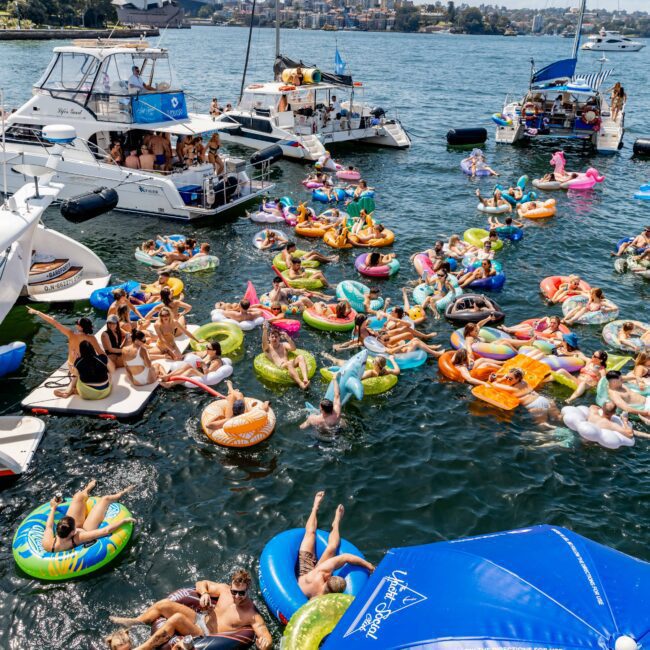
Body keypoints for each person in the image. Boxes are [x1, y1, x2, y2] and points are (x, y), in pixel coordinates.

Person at [108, 569, 272, 650]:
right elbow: (201, 583)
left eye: (241, 593)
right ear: (231, 586)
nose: (236, 596)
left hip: (205, 635)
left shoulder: (251, 614)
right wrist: (205, 593)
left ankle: (142, 648)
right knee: (164, 605)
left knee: (177, 618)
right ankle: (136, 621)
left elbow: (264, 634)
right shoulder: (223, 589)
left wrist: (266, 644)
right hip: (200, 619)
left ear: (248, 589)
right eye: (234, 591)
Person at [296, 491, 374, 600]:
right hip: (306, 572)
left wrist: (369, 566)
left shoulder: (319, 585)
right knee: (318, 538)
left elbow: (346, 557)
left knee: (317, 538)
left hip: (305, 573)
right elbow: (345, 557)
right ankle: (319, 510)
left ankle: (332, 520)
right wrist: (369, 566)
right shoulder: (320, 576)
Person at [42, 480, 134, 553]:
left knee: (78, 497)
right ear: (73, 532)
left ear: (58, 530)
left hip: (69, 533)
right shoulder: (79, 537)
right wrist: (124, 521)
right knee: (105, 499)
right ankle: (124, 492)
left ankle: (87, 489)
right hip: (86, 530)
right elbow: (106, 531)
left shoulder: (48, 543)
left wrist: (53, 508)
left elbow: (49, 527)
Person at [27, 308, 104, 369]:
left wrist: (37, 312)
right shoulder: (92, 338)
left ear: (80, 327)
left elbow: (54, 322)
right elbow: (100, 353)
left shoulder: (71, 334)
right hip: (86, 367)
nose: (75, 324)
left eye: (77, 323)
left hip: (73, 366)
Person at [489, 367, 560, 424]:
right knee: (558, 418)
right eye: (507, 377)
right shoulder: (524, 382)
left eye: (510, 379)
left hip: (535, 406)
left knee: (543, 424)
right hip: (544, 399)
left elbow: (494, 384)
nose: (507, 380)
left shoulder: (512, 389)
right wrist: (503, 376)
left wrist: (500, 378)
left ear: (517, 379)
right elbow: (511, 376)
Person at [203, 380, 269, 430]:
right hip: (243, 416)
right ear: (244, 408)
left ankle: (230, 388)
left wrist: (217, 417)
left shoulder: (227, 420)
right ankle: (231, 389)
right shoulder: (250, 416)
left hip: (231, 418)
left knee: (231, 397)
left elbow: (208, 425)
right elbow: (264, 409)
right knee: (240, 395)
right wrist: (267, 402)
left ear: (233, 408)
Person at [262, 321, 311, 389]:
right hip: (280, 367)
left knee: (300, 357)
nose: (274, 338)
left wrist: (288, 338)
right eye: (272, 337)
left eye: (276, 337)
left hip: (289, 363)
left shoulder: (284, 345)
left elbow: (293, 348)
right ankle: (301, 384)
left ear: (279, 338)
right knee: (288, 363)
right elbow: (264, 343)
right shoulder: (268, 348)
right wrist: (265, 330)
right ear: (269, 338)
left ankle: (305, 379)